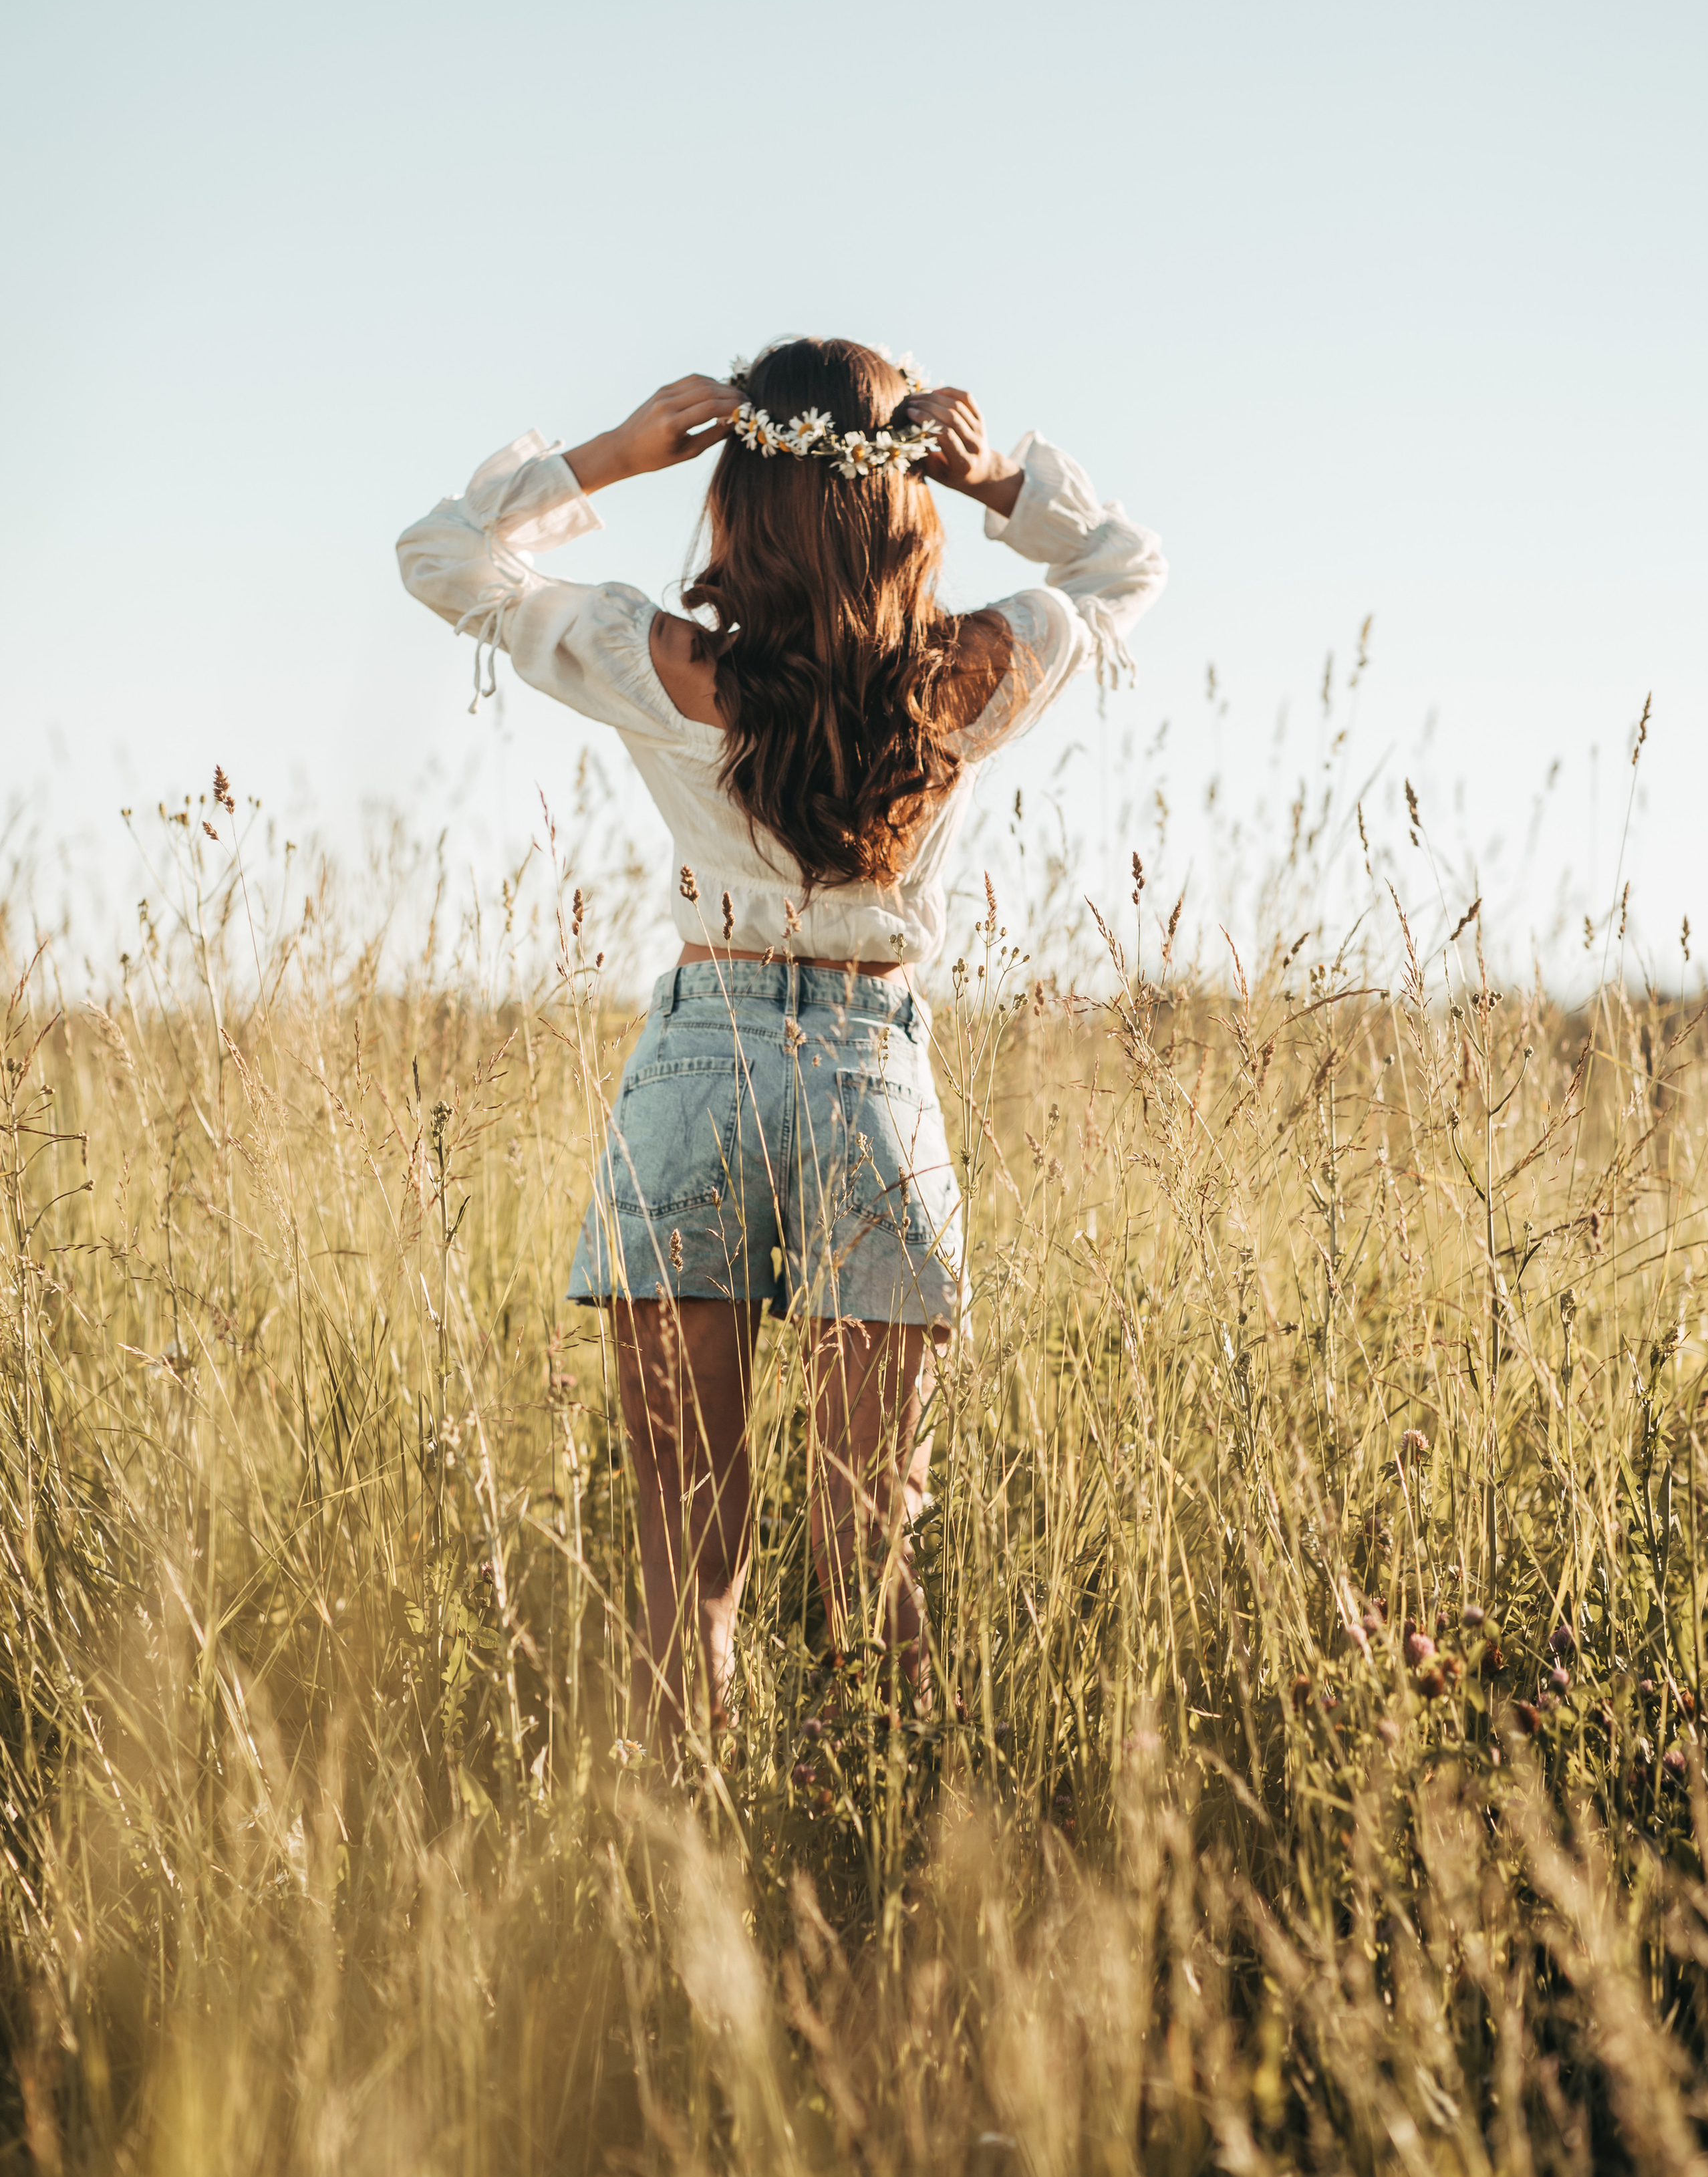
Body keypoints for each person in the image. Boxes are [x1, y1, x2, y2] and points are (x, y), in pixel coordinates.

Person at [397, 337, 1165, 1749]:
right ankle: (893, 1863)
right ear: (903, 499)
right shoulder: (974, 676)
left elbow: (442, 559)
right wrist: (999, 480)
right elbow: (1125, 570)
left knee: (684, 1560)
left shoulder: (665, 664)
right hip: (876, 1083)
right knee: (872, 1549)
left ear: (739, 503)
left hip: (697, 1077)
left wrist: (612, 456)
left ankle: (674, 1885)